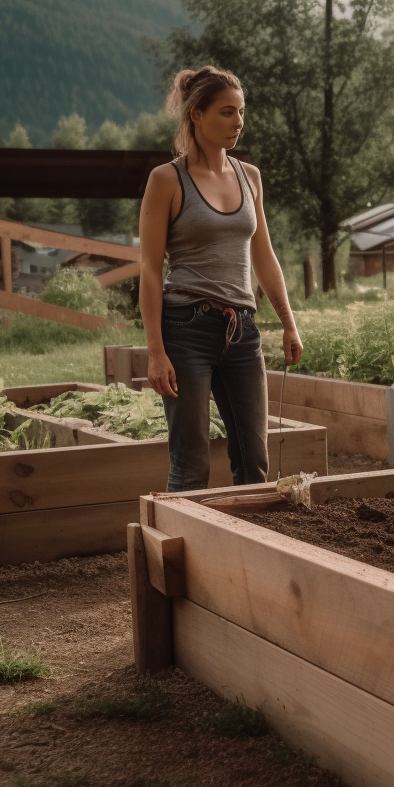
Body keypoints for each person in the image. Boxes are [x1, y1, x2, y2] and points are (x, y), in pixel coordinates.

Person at [138, 65, 303, 492]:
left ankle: (249, 554)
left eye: (242, 112)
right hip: (186, 330)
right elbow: (151, 271)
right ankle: (184, 554)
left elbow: (264, 255)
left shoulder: (250, 177)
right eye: (227, 112)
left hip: (243, 332)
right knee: (191, 465)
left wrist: (288, 322)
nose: (239, 122)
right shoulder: (166, 180)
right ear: (196, 114)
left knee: (255, 462)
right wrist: (155, 351)